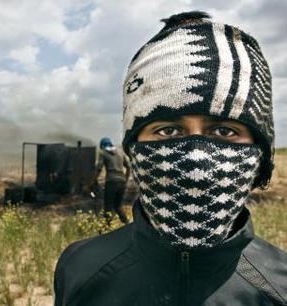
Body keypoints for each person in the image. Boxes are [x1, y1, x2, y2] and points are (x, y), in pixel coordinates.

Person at [54, 11, 287, 306]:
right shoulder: (80, 270)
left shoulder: (278, 287)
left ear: (260, 150)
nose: (196, 162)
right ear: (133, 144)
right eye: (167, 130)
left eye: (225, 131)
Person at [93, 137, 131, 224]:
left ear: (102, 146)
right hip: (122, 182)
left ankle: (107, 228)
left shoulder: (103, 152)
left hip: (111, 182)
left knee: (108, 207)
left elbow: (99, 168)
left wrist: (93, 182)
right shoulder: (120, 152)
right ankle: (127, 224)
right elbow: (128, 166)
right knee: (118, 206)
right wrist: (126, 180)